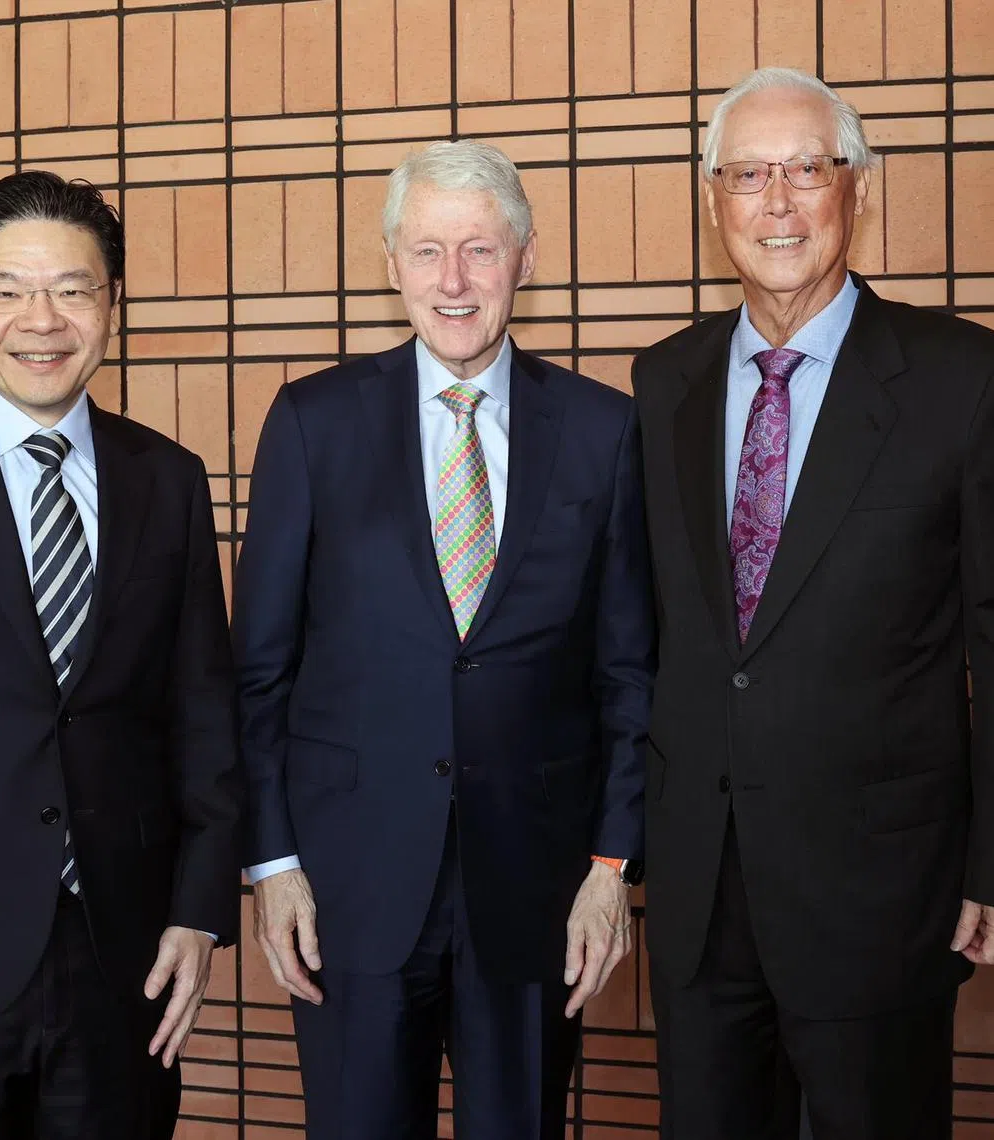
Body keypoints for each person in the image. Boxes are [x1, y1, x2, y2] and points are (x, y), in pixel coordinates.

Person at [232, 140, 655, 1139]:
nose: (453, 281)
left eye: (479, 249)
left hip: (537, 887)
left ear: (525, 257)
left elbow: (629, 673)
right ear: (392, 265)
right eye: (426, 251)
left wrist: (611, 869)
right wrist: (272, 863)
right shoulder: (312, 421)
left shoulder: (603, 430)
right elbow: (257, 671)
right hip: (348, 887)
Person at [633, 67, 994, 1139]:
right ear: (713, 202)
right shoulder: (663, 383)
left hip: (883, 893)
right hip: (702, 897)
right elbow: (648, 637)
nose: (778, 202)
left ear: (858, 189)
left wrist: (993, 863)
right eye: (748, 175)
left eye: (807, 169)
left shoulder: (961, 375)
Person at [0, 171, 242, 1139]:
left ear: (112, 305)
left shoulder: (168, 478)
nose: (42, 320)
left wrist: (199, 912)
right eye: (6, 291)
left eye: (73, 289)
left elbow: (201, 712)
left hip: (124, 958)